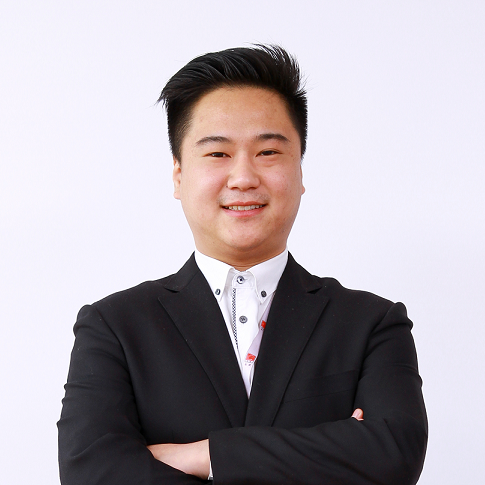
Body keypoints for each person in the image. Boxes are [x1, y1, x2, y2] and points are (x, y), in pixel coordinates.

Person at [58, 45, 427, 484]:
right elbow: (91, 473)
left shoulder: (371, 324)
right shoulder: (115, 326)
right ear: (178, 175)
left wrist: (207, 455)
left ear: (300, 171)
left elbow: (394, 455)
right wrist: (333, 451)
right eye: (218, 154)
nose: (244, 178)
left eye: (268, 152)